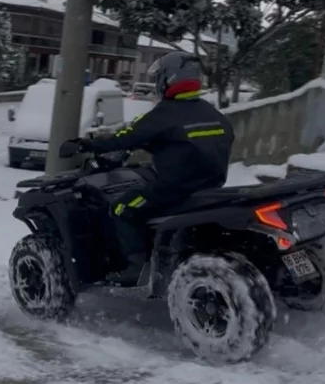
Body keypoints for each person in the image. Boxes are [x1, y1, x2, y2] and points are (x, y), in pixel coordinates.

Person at [71, 52, 235, 285]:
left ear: (167, 79)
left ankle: (136, 268)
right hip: (209, 188)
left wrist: (87, 143)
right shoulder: (212, 113)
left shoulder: (164, 114)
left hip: (172, 191)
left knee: (121, 207)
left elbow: (126, 136)